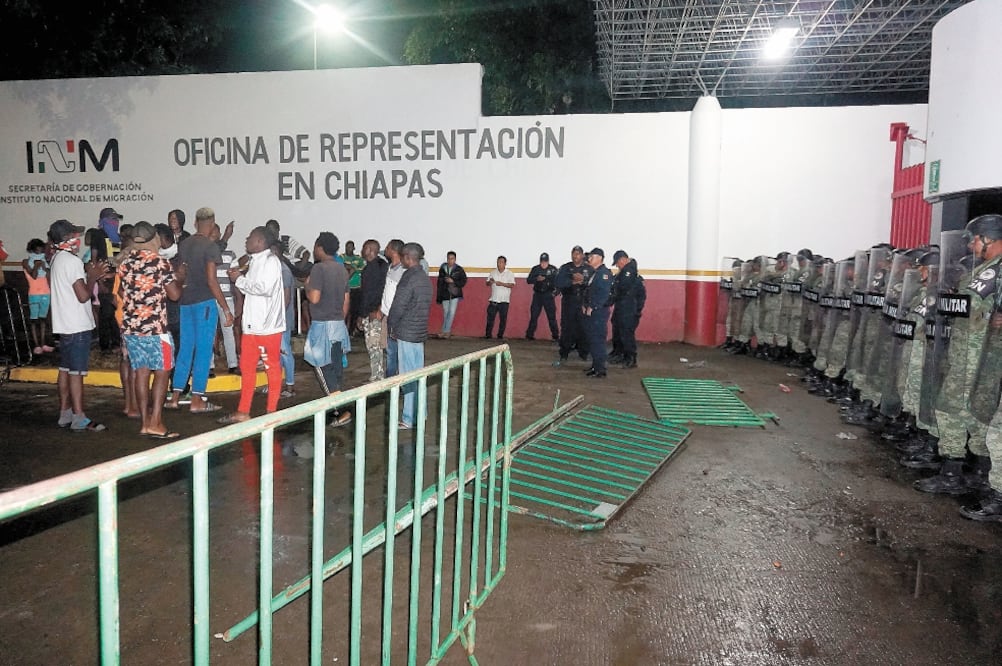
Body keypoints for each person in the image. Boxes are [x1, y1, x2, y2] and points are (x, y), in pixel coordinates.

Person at [117, 221, 182, 438]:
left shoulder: (125, 264)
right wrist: (180, 278)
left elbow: (122, 293)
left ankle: (145, 422)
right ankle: (156, 421)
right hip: (156, 328)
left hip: (131, 328)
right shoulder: (160, 262)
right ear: (154, 238)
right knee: (163, 372)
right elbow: (175, 295)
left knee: (141, 373)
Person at [165, 207, 234, 413]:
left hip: (185, 302)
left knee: (185, 348)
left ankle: (175, 396)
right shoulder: (210, 247)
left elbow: (179, 273)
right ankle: (197, 399)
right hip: (204, 302)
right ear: (212, 225)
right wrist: (226, 308)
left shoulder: (184, 244)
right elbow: (212, 280)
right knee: (203, 350)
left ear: (195, 223)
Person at [218, 227, 286, 424]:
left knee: (271, 367)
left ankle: (272, 411)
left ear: (260, 242)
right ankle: (243, 411)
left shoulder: (271, 261)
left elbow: (264, 289)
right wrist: (240, 277)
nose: (246, 240)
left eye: (250, 237)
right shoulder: (254, 261)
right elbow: (253, 288)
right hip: (252, 326)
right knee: (247, 368)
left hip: (267, 328)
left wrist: (239, 280)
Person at [48, 219, 109, 431]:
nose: (78, 240)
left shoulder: (57, 259)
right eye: (75, 235)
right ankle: (79, 417)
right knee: (76, 373)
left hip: (64, 324)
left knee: (65, 370)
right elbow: (83, 296)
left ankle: (65, 413)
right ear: (67, 238)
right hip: (77, 325)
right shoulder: (72, 262)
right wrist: (92, 277)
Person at [305, 232, 352, 427]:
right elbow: (346, 300)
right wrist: (339, 318)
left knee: (323, 368)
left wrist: (307, 286)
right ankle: (339, 405)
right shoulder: (342, 269)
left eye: (315, 246)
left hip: (322, 325)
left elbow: (314, 298)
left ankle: (340, 410)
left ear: (320, 247)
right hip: (338, 324)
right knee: (335, 367)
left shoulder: (319, 269)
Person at [387, 242, 433, 429]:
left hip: (406, 332)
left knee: (407, 376)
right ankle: (421, 413)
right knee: (418, 374)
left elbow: (398, 306)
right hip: (419, 332)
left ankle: (408, 418)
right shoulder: (424, 277)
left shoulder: (408, 277)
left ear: (407, 258)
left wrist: (391, 325)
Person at [553, 245, 593, 366]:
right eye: (574, 254)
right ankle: (564, 353)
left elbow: (593, 284)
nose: (576, 256)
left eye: (578, 254)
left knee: (584, 327)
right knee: (567, 327)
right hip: (569, 301)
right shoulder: (566, 268)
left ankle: (584, 353)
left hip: (583, 302)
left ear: (582, 255)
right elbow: (558, 282)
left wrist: (583, 280)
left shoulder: (589, 269)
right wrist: (572, 281)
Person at [209, 222, 240, 375]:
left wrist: (238, 299)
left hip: (227, 298)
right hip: (209, 298)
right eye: (211, 232)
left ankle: (233, 364)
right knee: (209, 332)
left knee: (228, 331)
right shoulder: (206, 253)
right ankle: (209, 366)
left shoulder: (230, 254)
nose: (213, 235)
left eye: (216, 232)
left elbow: (235, 278)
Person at [608, 250, 646, 368]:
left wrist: (636, 310)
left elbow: (622, 288)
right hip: (622, 306)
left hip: (628, 308)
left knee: (626, 333)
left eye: (617, 263)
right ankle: (619, 353)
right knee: (618, 330)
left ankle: (630, 358)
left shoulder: (629, 273)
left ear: (623, 260)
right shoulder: (624, 272)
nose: (617, 266)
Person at [360, 239, 388, 381]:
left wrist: (376, 309)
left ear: (371, 250)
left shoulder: (377, 267)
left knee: (374, 344)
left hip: (374, 312)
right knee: (373, 345)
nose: (362, 251)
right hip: (369, 311)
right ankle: (376, 374)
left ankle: (377, 376)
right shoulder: (373, 266)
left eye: (364, 248)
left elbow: (378, 290)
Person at [583, 248, 613, 378]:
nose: (589, 259)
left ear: (599, 258)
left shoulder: (604, 274)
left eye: (592, 257)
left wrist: (593, 306)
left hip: (599, 312)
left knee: (598, 340)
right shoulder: (595, 273)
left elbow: (603, 294)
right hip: (593, 312)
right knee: (593, 339)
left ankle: (600, 369)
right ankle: (595, 366)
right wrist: (585, 305)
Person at [22, 238, 54, 354]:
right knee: (34, 320)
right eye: (38, 250)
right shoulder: (26, 261)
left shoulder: (44, 260)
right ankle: (36, 345)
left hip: (45, 292)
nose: (40, 252)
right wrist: (36, 266)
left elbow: (49, 276)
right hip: (34, 294)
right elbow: (34, 276)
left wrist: (45, 267)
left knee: (43, 319)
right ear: (32, 250)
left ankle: (43, 343)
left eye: (41, 250)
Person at [380, 239, 406, 377]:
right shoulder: (391, 267)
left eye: (388, 247)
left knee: (395, 351)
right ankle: (391, 378)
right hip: (388, 315)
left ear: (394, 251)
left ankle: (394, 379)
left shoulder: (402, 270)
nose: (385, 250)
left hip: (396, 317)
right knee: (390, 351)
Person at [525, 252, 559, 341]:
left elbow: (558, 282)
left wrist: (554, 293)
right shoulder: (536, 269)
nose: (543, 264)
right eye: (542, 262)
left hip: (548, 295)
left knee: (551, 317)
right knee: (534, 316)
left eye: (545, 262)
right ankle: (529, 335)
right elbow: (528, 280)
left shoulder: (553, 269)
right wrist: (536, 279)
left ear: (548, 261)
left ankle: (555, 336)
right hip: (538, 295)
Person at [436, 251, 468, 339]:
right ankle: (444, 331)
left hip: (455, 294)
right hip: (444, 293)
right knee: (446, 312)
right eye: (449, 258)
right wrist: (439, 295)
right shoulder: (443, 268)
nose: (450, 260)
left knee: (452, 312)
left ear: (455, 259)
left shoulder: (459, 269)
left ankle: (446, 331)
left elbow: (464, 281)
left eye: (452, 259)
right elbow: (439, 282)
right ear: (447, 259)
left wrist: (453, 281)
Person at [484, 255, 515, 340]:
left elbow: (512, 285)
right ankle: (488, 335)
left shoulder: (509, 273)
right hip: (494, 299)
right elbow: (487, 283)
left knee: (503, 319)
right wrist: (490, 282)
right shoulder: (493, 272)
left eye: (501, 262)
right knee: (490, 318)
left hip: (504, 301)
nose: (499, 264)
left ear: (505, 264)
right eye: (498, 262)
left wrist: (502, 284)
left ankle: (500, 336)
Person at [342, 240, 366, 334]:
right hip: (345, 289)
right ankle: (344, 330)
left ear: (354, 248)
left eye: (350, 247)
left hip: (356, 288)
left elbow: (361, 269)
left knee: (354, 310)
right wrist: (352, 268)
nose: (348, 249)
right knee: (345, 310)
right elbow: (342, 267)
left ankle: (351, 330)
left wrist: (351, 268)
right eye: (347, 247)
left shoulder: (359, 259)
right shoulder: (342, 257)